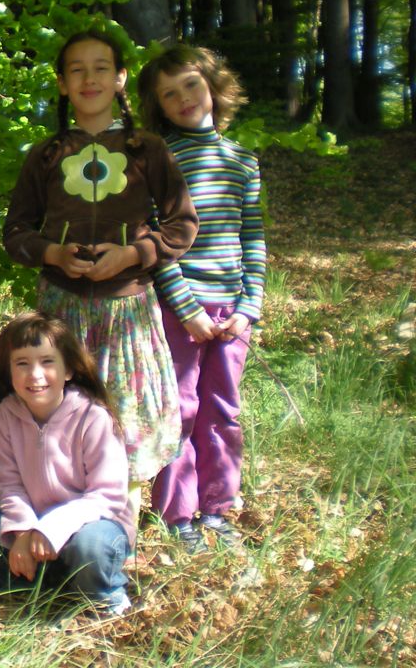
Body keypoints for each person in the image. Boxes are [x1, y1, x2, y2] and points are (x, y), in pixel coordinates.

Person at [1, 29, 198, 497]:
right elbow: (16, 233)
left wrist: (134, 254)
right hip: (61, 314)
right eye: (77, 70)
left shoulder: (147, 150)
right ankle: (62, 513)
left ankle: (120, 520)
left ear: (121, 78)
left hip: (126, 312)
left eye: (101, 68)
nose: (89, 79)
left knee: (125, 418)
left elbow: (182, 225)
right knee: (62, 418)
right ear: (62, 83)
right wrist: (52, 253)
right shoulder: (46, 155)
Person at [138, 45, 266, 551]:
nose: (184, 98)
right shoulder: (160, 160)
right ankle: (177, 513)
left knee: (223, 408)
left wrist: (248, 308)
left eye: (191, 84)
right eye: (169, 94)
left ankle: (217, 507)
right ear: (159, 107)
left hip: (232, 312)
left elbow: (252, 237)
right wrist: (186, 308)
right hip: (180, 309)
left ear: (213, 85)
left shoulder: (242, 161)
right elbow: (157, 240)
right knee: (181, 408)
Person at [0, 312, 134, 616]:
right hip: (32, 529)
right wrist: (22, 532)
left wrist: (51, 529)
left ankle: (105, 595)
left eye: (47, 362)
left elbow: (107, 496)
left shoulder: (93, 417)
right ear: (9, 371)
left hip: (88, 529)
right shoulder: (7, 415)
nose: (35, 375)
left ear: (68, 369)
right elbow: (9, 485)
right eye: (22, 363)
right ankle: (37, 584)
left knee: (93, 546)